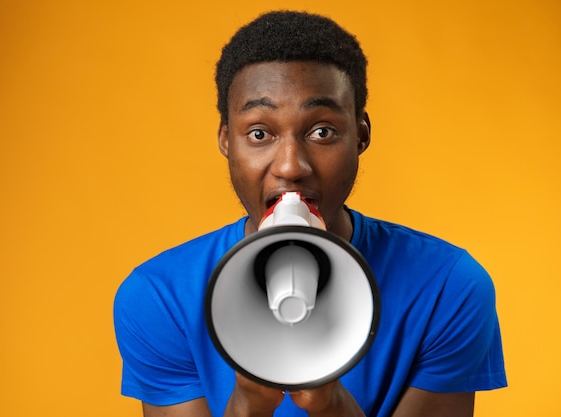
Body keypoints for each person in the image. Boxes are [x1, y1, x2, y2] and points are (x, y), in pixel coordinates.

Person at [113, 10, 507, 417]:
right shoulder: (159, 297)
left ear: (362, 134)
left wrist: (330, 402)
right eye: (259, 133)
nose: (290, 166)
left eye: (322, 131)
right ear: (227, 140)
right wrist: (249, 403)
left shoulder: (448, 287)